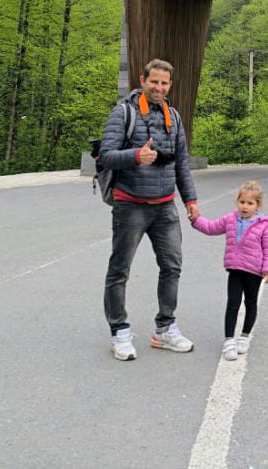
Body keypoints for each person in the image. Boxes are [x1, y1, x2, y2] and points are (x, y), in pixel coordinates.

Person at [99, 58, 198, 361]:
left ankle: (165, 329)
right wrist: (135, 156)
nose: (159, 87)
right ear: (142, 80)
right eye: (154, 81)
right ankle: (120, 332)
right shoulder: (123, 113)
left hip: (165, 206)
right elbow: (105, 156)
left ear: (170, 86)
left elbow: (181, 162)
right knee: (119, 270)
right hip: (130, 204)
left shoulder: (174, 116)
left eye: (164, 83)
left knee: (172, 267)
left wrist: (190, 200)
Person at [187, 181, 268, 361]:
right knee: (233, 303)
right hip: (235, 269)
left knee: (251, 303)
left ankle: (244, 336)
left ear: (258, 205)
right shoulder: (230, 219)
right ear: (237, 202)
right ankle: (229, 340)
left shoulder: (265, 225)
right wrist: (196, 219)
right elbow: (211, 227)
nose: (245, 206)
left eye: (250, 203)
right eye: (242, 202)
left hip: (254, 271)